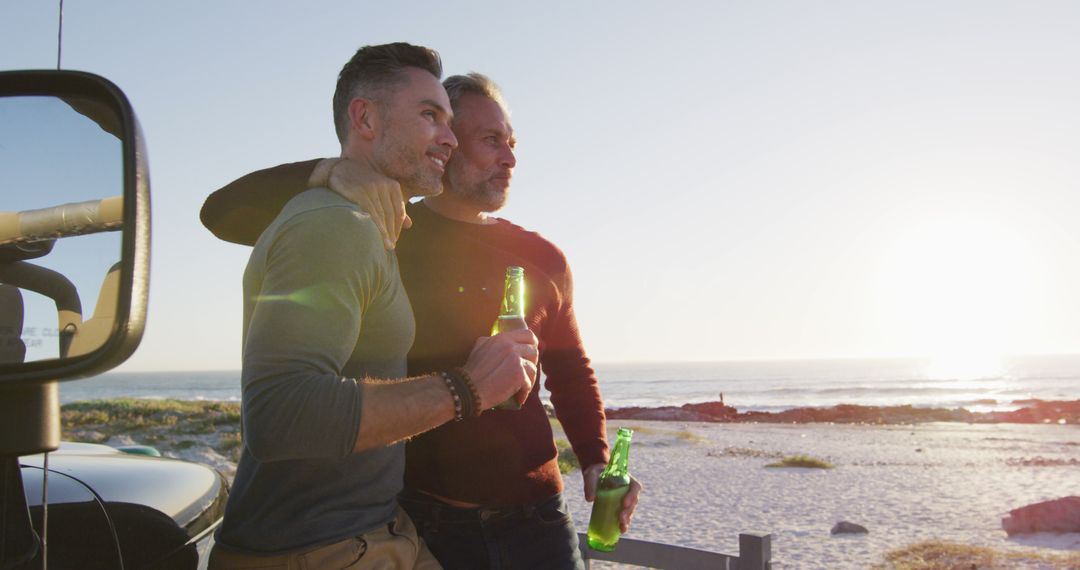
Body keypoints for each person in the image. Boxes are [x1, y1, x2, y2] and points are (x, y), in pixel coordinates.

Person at [202, 73, 641, 570]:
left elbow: (571, 370)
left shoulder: (544, 258)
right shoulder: (388, 229)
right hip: (427, 523)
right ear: (445, 144)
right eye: (491, 141)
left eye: (513, 143)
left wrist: (596, 459)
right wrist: (333, 172)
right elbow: (222, 211)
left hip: (539, 521)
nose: (510, 158)